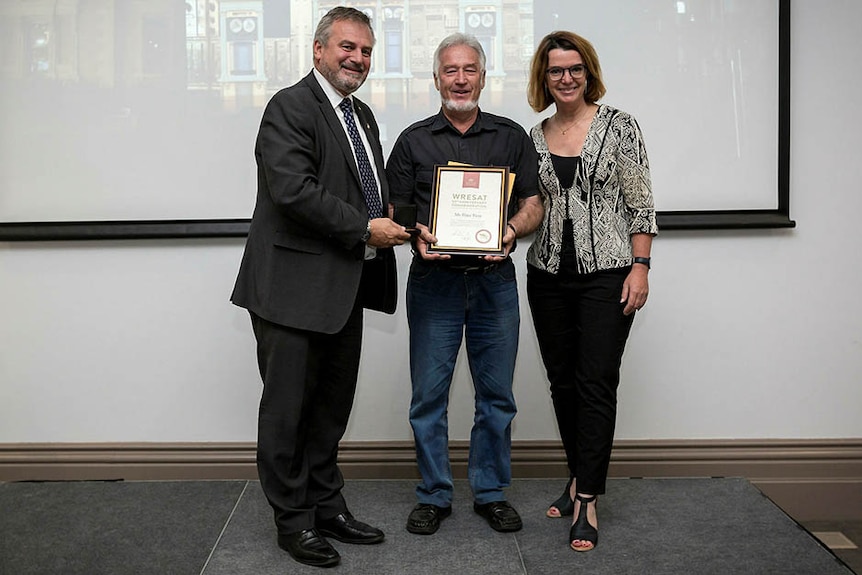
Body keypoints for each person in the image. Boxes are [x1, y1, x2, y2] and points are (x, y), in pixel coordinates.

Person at [230, 7, 411, 569]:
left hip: (342, 290)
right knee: (288, 412)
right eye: (347, 48)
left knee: (331, 409)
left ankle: (326, 505)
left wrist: (417, 223)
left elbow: (367, 196)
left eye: (366, 51)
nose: (357, 59)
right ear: (318, 49)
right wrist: (365, 228)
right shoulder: (289, 106)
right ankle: (293, 521)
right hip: (290, 290)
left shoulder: (363, 117)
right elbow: (292, 190)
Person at [386, 33, 544, 537]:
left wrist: (512, 230)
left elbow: (534, 202)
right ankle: (434, 494)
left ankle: (491, 492)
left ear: (483, 75)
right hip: (434, 283)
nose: (460, 78)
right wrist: (417, 236)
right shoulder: (413, 140)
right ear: (437, 78)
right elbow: (396, 208)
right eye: (450, 70)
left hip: (494, 282)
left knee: (497, 396)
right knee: (428, 397)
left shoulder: (511, 136)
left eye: (469, 69)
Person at [524, 31, 658, 552]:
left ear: (588, 71)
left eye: (574, 68)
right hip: (547, 275)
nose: (566, 78)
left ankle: (587, 499)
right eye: (556, 70)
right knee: (562, 383)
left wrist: (640, 266)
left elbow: (641, 203)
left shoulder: (621, 127)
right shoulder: (533, 137)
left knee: (595, 380)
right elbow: (529, 208)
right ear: (544, 77)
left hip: (609, 273)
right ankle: (578, 474)